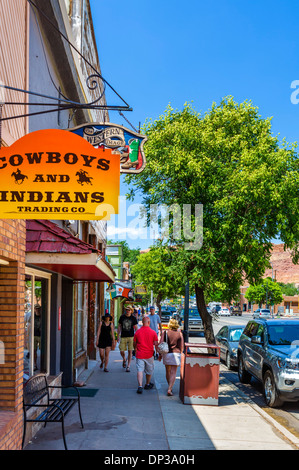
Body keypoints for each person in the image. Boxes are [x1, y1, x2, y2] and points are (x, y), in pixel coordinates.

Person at [158, 318, 184, 396]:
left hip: (167, 354)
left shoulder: (165, 333)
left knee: (167, 371)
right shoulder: (180, 334)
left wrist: (160, 354)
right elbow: (182, 346)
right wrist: (181, 354)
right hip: (176, 354)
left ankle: (169, 386)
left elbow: (161, 343)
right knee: (173, 372)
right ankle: (170, 388)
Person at [133, 316, 158, 394]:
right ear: (149, 322)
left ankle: (140, 386)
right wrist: (157, 353)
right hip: (149, 355)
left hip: (140, 354)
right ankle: (147, 384)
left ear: (142, 323)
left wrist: (135, 349)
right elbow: (156, 344)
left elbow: (134, 343)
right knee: (149, 370)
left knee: (139, 370)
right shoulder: (153, 332)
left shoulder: (137, 332)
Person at [117, 305, 138, 372]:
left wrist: (137, 336)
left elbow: (136, 327)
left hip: (131, 336)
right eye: (127, 310)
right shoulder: (122, 317)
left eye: (129, 310)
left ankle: (128, 366)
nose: (127, 311)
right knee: (121, 351)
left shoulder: (133, 318)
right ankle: (124, 358)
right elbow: (119, 326)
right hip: (123, 336)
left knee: (130, 351)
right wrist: (118, 335)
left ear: (131, 311)